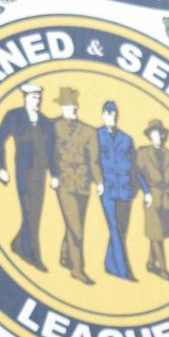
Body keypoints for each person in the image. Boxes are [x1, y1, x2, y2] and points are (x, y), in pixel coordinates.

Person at [43, 86, 98, 285]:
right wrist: (53, 174)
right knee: (75, 225)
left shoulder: (89, 130)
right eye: (67, 105)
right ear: (62, 107)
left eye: (74, 105)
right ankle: (77, 268)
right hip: (64, 180)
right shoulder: (52, 127)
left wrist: (98, 182)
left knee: (76, 222)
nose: (71, 108)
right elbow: (48, 153)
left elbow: (94, 160)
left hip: (83, 182)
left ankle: (65, 256)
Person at [0, 80, 49, 270]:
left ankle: (19, 244)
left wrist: (55, 174)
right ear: (26, 97)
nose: (37, 101)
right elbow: (0, 138)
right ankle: (33, 254)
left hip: (41, 172)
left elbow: (52, 149)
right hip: (23, 169)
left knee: (36, 212)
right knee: (28, 210)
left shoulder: (45, 121)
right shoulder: (14, 116)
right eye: (33, 97)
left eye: (38, 97)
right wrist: (2, 167)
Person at [133, 117, 169, 283]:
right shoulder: (142, 153)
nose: (158, 137)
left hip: (166, 200)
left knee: (158, 235)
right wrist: (144, 192)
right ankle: (163, 269)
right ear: (150, 136)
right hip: (151, 198)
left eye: (160, 134)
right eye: (154, 134)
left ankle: (151, 263)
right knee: (156, 235)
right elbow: (137, 174)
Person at [95, 98, 137, 282]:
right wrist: (96, 181)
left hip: (126, 190)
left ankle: (110, 264)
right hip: (108, 188)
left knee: (123, 229)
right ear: (103, 114)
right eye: (107, 113)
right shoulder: (95, 136)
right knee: (114, 227)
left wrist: (142, 189)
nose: (110, 117)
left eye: (113, 114)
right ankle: (123, 271)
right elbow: (92, 162)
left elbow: (135, 166)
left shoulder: (126, 139)